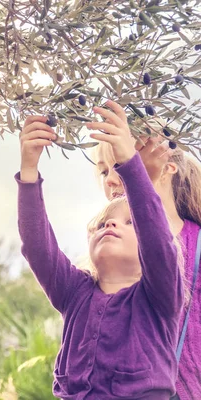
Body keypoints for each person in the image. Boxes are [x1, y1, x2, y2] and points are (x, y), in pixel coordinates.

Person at [16, 100, 184, 398]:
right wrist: (29, 170)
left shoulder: (159, 294)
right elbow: (37, 246)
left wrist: (129, 161)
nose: (110, 226)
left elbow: (155, 232)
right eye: (102, 223)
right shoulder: (74, 292)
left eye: (130, 222)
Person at [92, 121, 201, 399]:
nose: (110, 179)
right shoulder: (107, 252)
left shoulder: (197, 244)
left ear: (167, 165)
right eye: (104, 170)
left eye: (123, 164)